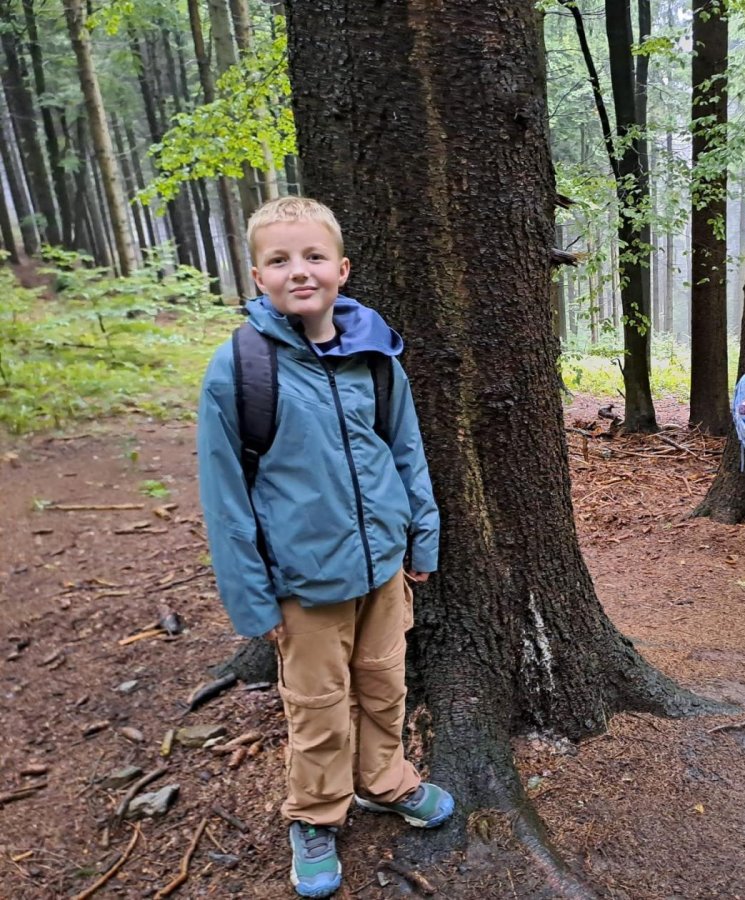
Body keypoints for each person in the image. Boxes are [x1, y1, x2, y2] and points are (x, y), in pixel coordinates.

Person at [196, 197, 453, 899]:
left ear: (342, 269)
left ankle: (386, 781)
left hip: (383, 570)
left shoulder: (377, 355)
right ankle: (314, 814)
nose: (299, 271)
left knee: (385, 683)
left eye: (313, 256)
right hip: (303, 583)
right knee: (317, 706)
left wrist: (421, 539)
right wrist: (253, 601)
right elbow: (225, 496)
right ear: (258, 276)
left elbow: (406, 451)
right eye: (280, 260)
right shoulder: (240, 370)